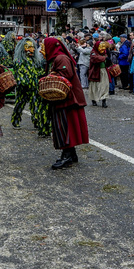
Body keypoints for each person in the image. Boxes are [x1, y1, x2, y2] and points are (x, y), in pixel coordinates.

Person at [41, 36, 90, 170]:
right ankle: (71, 153)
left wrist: (51, 76)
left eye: (44, 46)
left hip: (67, 99)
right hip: (65, 99)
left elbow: (65, 74)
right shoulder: (57, 58)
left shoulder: (60, 58)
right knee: (67, 125)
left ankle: (67, 155)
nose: (42, 50)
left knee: (65, 126)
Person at [10, 37, 50, 136]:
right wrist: (23, 82)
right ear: (22, 48)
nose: (31, 49)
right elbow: (19, 74)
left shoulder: (36, 61)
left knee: (35, 104)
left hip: (34, 86)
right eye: (28, 47)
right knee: (20, 103)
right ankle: (15, 120)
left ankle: (36, 121)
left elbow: (40, 71)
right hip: (23, 87)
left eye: (32, 47)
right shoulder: (19, 61)